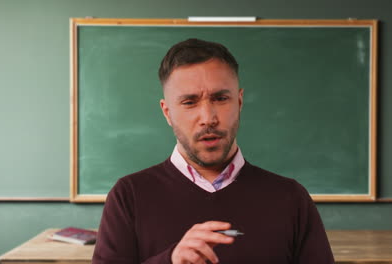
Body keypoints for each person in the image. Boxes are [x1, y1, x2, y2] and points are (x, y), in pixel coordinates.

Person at [93, 38, 334, 264]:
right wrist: (171, 260)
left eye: (220, 98)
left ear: (239, 103)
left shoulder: (291, 198)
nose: (208, 118)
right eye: (189, 102)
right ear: (167, 112)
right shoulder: (129, 196)